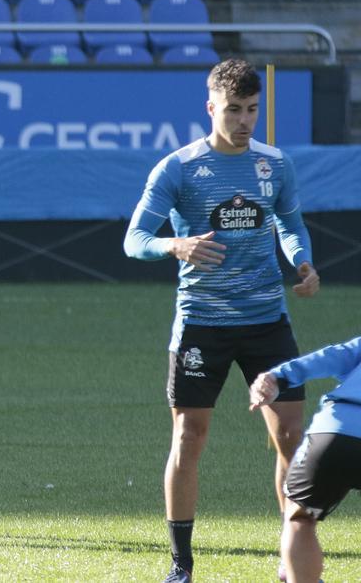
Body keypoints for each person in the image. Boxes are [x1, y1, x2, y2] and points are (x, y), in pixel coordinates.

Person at [123, 58, 319, 583]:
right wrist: (174, 244)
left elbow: (291, 222)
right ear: (211, 107)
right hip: (202, 324)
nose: (244, 120)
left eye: (253, 109)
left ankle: (289, 553)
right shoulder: (178, 168)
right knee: (189, 436)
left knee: (291, 437)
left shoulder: (275, 164)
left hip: (266, 321)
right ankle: (181, 563)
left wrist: (302, 261)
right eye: (233, 109)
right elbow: (134, 239)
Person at [249, 337, 361, 583]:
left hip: (336, 432)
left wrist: (276, 377)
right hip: (337, 430)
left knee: (300, 517)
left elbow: (333, 356)